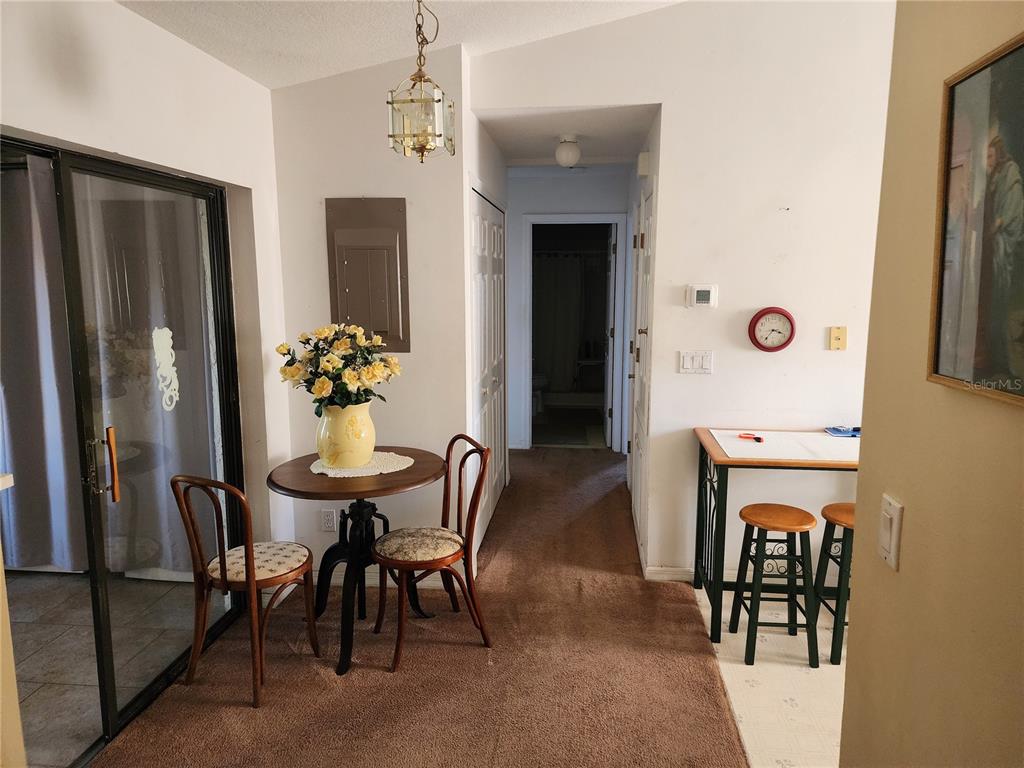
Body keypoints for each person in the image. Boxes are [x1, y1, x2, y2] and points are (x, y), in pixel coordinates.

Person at [975, 134, 1024, 382]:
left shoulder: (1010, 173)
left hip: (1006, 255)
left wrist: (992, 228)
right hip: (992, 253)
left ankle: (1007, 366)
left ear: (999, 154)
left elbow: (1010, 212)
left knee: (1004, 309)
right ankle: (992, 360)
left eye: (990, 155)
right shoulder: (992, 178)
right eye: (985, 156)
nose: (987, 160)